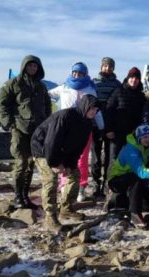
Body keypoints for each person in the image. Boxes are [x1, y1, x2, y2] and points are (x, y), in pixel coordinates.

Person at [31, 94, 100, 233]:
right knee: (50, 180)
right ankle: (50, 217)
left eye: (96, 109)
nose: (94, 112)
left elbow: (78, 147)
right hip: (42, 149)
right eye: (91, 108)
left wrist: (69, 164)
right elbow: (51, 142)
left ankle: (66, 208)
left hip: (61, 151)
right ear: (84, 106)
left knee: (74, 175)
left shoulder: (87, 123)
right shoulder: (65, 117)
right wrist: (55, 163)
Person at [0, 55, 52, 209]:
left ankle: (26, 197)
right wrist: (10, 123)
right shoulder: (13, 84)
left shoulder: (41, 86)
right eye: (30, 66)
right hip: (20, 129)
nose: (32, 69)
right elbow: (2, 105)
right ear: (24, 67)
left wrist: (47, 123)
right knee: (21, 163)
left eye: (35, 66)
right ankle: (18, 197)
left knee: (31, 164)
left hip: (37, 131)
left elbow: (47, 106)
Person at [49, 62, 104, 200]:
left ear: (85, 74)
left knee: (82, 159)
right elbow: (47, 94)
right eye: (75, 72)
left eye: (80, 73)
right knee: (64, 158)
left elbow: (96, 110)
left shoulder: (90, 89)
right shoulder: (64, 86)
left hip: (84, 128)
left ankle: (81, 187)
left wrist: (102, 127)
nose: (77, 75)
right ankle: (64, 186)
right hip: (64, 128)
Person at [104, 124, 149, 228]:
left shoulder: (146, 146)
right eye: (145, 137)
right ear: (138, 138)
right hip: (116, 179)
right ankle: (134, 214)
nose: (148, 139)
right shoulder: (131, 150)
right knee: (136, 179)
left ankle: (125, 202)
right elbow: (141, 173)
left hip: (131, 177)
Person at [92, 57, 122, 198]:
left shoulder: (117, 84)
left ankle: (107, 185)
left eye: (110, 67)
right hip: (95, 124)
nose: (107, 69)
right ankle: (96, 184)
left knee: (110, 157)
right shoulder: (94, 82)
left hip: (111, 124)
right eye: (105, 66)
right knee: (96, 157)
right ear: (101, 67)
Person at [105, 67, 146, 162]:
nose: (134, 80)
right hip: (117, 133)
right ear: (127, 78)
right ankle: (112, 177)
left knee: (132, 159)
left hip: (133, 134)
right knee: (115, 159)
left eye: (136, 78)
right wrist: (109, 129)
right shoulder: (118, 91)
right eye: (132, 77)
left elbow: (143, 115)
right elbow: (109, 110)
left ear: (139, 80)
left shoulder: (141, 96)